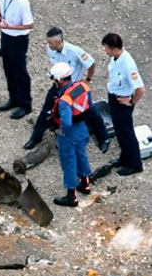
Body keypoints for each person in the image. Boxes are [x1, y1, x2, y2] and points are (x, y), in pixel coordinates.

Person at [24, 27, 110, 152]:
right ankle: (35, 137)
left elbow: (91, 64)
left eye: (50, 42)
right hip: (59, 84)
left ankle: (103, 138)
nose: (48, 45)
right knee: (47, 110)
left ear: (59, 42)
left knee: (89, 112)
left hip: (75, 87)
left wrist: (87, 80)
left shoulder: (74, 51)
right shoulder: (50, 50)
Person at [49, 63, 93, 207]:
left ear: (60, 80)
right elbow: (89, 106)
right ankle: (86, 184)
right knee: (82, 154)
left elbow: (66, 122)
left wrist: (61, 129)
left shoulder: (64, 100)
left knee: (68, 161)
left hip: (69, 133)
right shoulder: (83, 87)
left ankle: (71, 196)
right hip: (82, 128)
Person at [102, 33, 145, 176]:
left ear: (115, 49)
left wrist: (131, 101)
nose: (105, 51)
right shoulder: (116, 58)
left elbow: (140, 89)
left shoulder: (128, 64)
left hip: (123, 101)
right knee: (120, 131)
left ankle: (134, 164)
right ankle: (124, 157)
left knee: (127, 133)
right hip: (114, 97)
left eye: (106, 48)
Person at [0, 0, 34, 119]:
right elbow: (0, 5)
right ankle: (14, 97)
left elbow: (29, 24)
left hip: (18, 39)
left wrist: (11, 26)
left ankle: (25, 104)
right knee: (8, 67)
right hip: (5, 35)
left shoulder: (22, 3)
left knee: (19, 70)